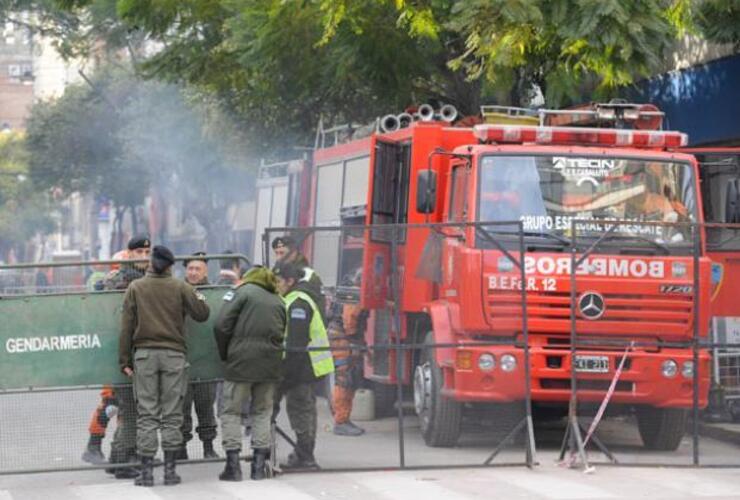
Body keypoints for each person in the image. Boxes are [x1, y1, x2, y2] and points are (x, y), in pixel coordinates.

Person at [119, 245, 210, 487]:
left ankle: (147, 472)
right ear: (170, 266)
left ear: (150, 264)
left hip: (145, 357)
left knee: (147, 414)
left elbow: (126, 327)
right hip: (174, 356)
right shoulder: (181, 287)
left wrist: (124, 361)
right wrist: (196, 292)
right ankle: (170, 471)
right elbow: (202, 313)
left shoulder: (135, 288)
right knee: (172, 414)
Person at [214, 266, 286, 481]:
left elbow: (220, 325)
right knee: (262, 412)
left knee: (231, 412)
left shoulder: (242, 292)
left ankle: (233, 466)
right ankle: (258, 466)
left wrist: (226, 352)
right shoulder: (278, 299)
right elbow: (282, 332)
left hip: (240, 363)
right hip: (270, 364)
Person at [86, 236, 151, 474]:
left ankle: (118, 457)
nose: (144, 255)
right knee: (120, 405)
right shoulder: (116, 279)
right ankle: (119, 457)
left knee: (127, 406)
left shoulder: (149, 276)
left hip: (139, 349)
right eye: (139, 251)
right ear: (129, 253)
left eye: (147, 251)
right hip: (120, 350)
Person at [272, 261, 334, 470]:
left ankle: (306, 457)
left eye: (278, 281)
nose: (275, 285)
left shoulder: (298, 303)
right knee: (302, 410)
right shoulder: (291, 298)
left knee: (301, 411)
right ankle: (302, 454)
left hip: (303, 366)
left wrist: (286, 375)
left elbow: (296, 344)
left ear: (290, 281)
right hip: (301, 365)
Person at [177, 251, 219, 460]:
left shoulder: (214, 292)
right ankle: (181, 448)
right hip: (183, 361)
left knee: (206, 405)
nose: (193, 272)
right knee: (181, 408)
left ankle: (209, 447)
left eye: (197, 269)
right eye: (190, 268)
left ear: (205, 271)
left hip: (206, 360)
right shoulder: (177, 291)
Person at [329, 301, 367, 436]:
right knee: (344, 380)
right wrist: (353, 342)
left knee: (349, 379)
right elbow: (349, 320)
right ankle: (340, 421)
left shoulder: (351, 295)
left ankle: (344, 419)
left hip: (343, 337)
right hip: (343, 339)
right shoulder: (354, 297)